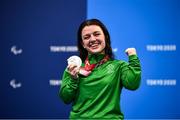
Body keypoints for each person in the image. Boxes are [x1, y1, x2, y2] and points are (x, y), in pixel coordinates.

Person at [59, 19, 141, 119]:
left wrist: (133, 58)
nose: (92, 39)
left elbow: (133, 84)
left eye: (96, 34)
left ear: (105, 37)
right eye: (86, 37)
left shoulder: (118, 66)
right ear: (83, 44)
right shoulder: (74, 67)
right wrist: (73, 79)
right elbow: (65, 98)